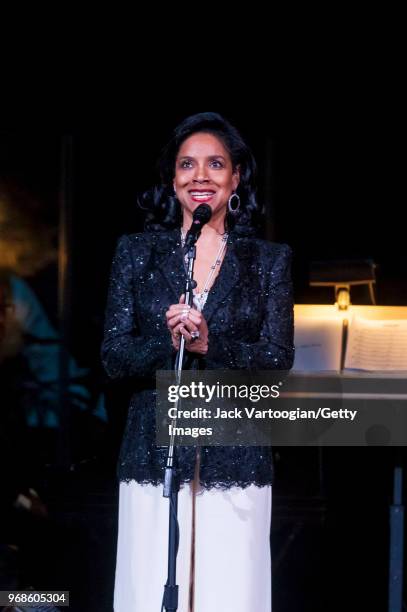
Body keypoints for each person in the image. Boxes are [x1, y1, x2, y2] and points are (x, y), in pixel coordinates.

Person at [101, 112, 295, 611]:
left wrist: (211, 344)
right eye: (187, 164)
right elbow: (115, 356)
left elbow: (276, 360)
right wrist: (171, 343)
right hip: (154, 454)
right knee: (150, 591)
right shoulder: (137, 254)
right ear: (172, 179)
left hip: (235, 455)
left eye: (215, 164)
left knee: (228, 594)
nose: (200, 175)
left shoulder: (267, 260)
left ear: (236, 178)